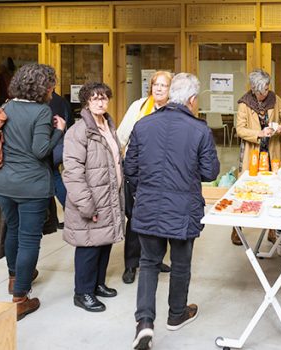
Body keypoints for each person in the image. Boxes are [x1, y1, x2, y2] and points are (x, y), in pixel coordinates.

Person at [126, 72, 219, 350]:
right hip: (183, 208)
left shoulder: (143, 125)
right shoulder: (200, 130)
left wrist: (150, 186)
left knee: (148, 263)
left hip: (148, 204)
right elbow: (210, 171)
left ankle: (144, 323)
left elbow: (129, 168)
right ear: (192, 100)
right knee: (180, 264)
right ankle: (176, 314)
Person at [0, 63, 66, 320]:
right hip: (31, 186)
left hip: (3, 184)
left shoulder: (7, 106)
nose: (52, 91)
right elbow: (40, 150)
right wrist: (59, 131)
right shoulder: (41, 112)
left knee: (12, 229)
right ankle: (20, 298)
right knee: (29, 239)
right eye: (51, 86)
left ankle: (14, 278)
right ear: (43, 87)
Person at [62, 82, 125, 313]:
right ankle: (83, 293)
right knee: (89, 247)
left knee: (104, 243)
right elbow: (73, 172)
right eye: (95, 98)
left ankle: (98, 284)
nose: (101, 102)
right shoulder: (79, 132)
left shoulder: (109, 126)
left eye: (104, 98)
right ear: (86, 102)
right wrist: (87, 205)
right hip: (91, 200)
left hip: (109, 197)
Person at [117, 71, 174, 284]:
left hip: (164, 173)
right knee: (136, 219)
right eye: (155, 85)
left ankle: (155, 259)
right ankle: (131, 264)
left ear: (171, 90)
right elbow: (121, 137)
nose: (158, 89)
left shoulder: (174, 109)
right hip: (138, 173)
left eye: (163, 85)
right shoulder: (139, 107)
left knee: (161, 217)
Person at [232, 69, 281, 245]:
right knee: (246, 190)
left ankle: (272, 230)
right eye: (262, 90)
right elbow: (240, 129)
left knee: (273, 188)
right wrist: (259, 133)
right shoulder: (244, 104)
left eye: (267, 88)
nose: (265, 93)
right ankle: (237, 229)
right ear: (253, 89)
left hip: (272, 150)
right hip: (253, 152)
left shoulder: (275, 99)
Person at [49, 90, 73, 229]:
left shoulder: (44, 101)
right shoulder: (62, 100)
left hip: (51, 146)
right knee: (55, 177)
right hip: (61, 145)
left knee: (54, 178)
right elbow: (69, 123)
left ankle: (70, 213)